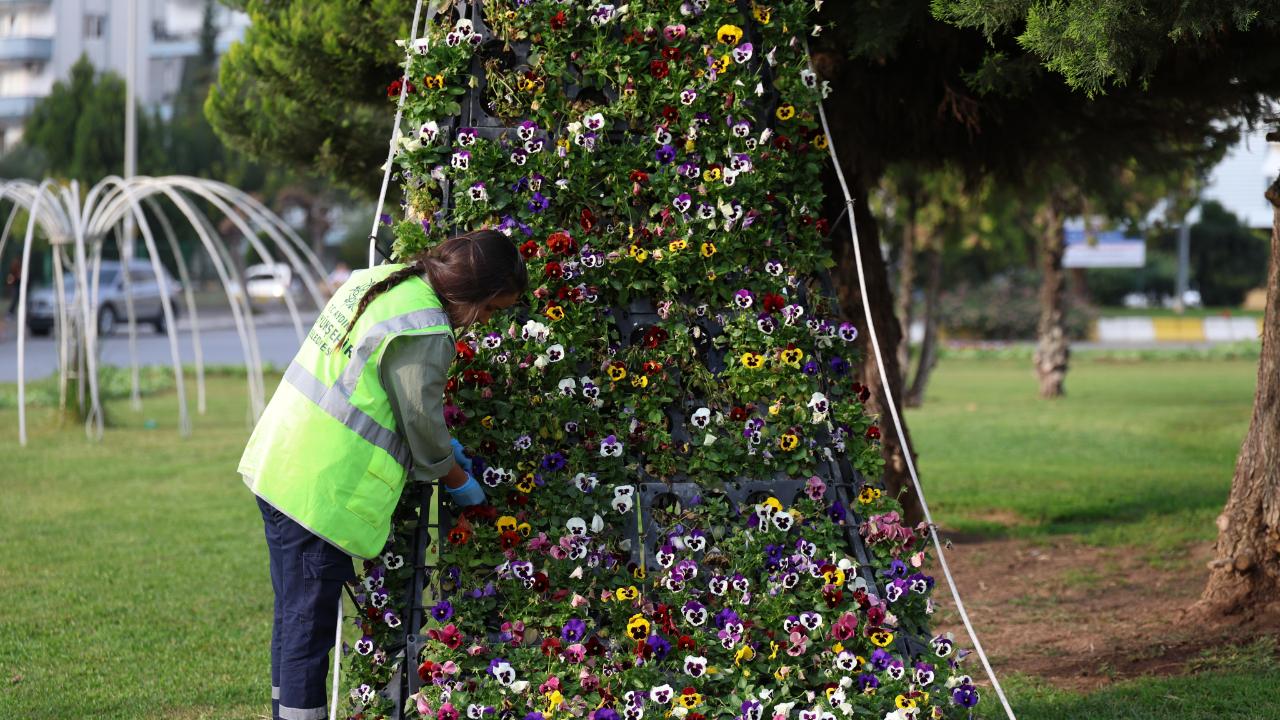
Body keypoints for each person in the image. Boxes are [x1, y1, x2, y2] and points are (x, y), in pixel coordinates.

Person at [238, 229, 527, 720]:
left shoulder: (384, 280)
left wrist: (439, 442)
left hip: (282, 463)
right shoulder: (424, 326)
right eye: (491, 310)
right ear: (474, 291)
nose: (485, 322)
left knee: (293, 620)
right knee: (307, 631)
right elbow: (420, 423)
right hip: (320, 491)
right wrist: (458, 479)